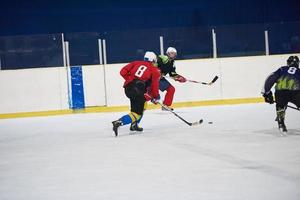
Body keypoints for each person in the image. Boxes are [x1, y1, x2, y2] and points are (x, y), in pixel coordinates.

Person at [111, 51, 161, 137]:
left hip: (128, 88)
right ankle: (119, 122)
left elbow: (122, 72)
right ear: (153, 60)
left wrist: (130, 79)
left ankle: (134, 125)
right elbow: (154, 86)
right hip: (138, 89)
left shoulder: (136, 62)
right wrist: (156, 97)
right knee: (137, 114)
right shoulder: (154, 70)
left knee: (143, 104)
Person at [262, 55, 300, 132]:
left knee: (280, 105)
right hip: (295, 92)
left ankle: (281, 122)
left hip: (280, 92)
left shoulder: (282, 69)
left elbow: (270, 79)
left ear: (288, 63)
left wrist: (266, 93)